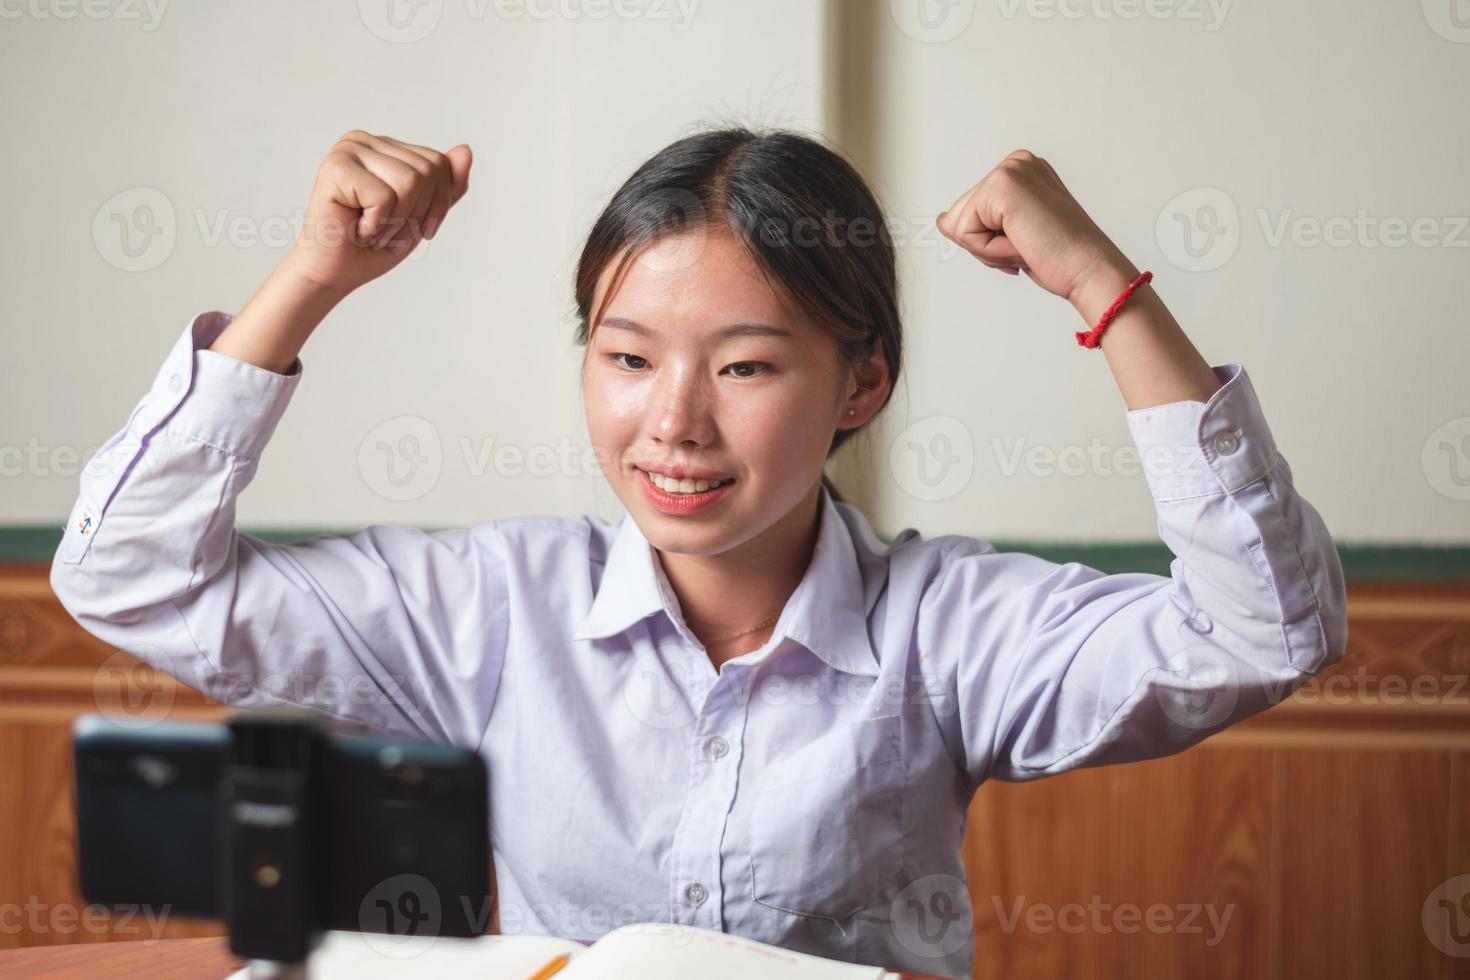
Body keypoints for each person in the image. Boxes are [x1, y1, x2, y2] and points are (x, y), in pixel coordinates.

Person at [50, 127, 1348, 979]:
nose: (669, 421)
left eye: (743, 367)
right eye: (623, 359)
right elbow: (128, 575)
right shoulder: (489, 603)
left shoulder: (949, 627)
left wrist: (1103, 290)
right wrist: (310, 281)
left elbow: (1260, 630)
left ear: (858, 386)